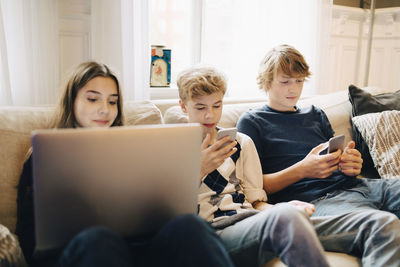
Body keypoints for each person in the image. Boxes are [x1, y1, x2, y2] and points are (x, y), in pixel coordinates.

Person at [16, 61, 234, 267]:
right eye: (93, 99)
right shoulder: (45, 154)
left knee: (190, 226)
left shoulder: (134, 149)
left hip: (136, 248)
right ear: (71, 101)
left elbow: (161, 210)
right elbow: (30, 239)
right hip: (83, 252)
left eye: (112, 101)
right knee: (99, 239)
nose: (105, 109)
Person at [237, 44, 400, 265]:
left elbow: (340, 158)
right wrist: (302, 170)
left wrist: (350, 163)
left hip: (359, 186)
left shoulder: (315, 113)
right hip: (318, 200)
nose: (293, 89)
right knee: (383, 224)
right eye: (285, 81)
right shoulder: (253, 122)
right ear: (266, 82)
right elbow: (252, 188)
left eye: (299, 81)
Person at [177, 66, 330, 267]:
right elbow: (167, 214)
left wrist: (281, 209)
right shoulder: (173, 147)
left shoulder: (241, 142)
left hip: (246, 221)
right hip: (208, 230)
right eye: (200, 107)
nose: (210, 116)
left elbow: (256, 202)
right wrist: (199, 169)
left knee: (292, 215)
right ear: (183, 106)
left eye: (217, 106)